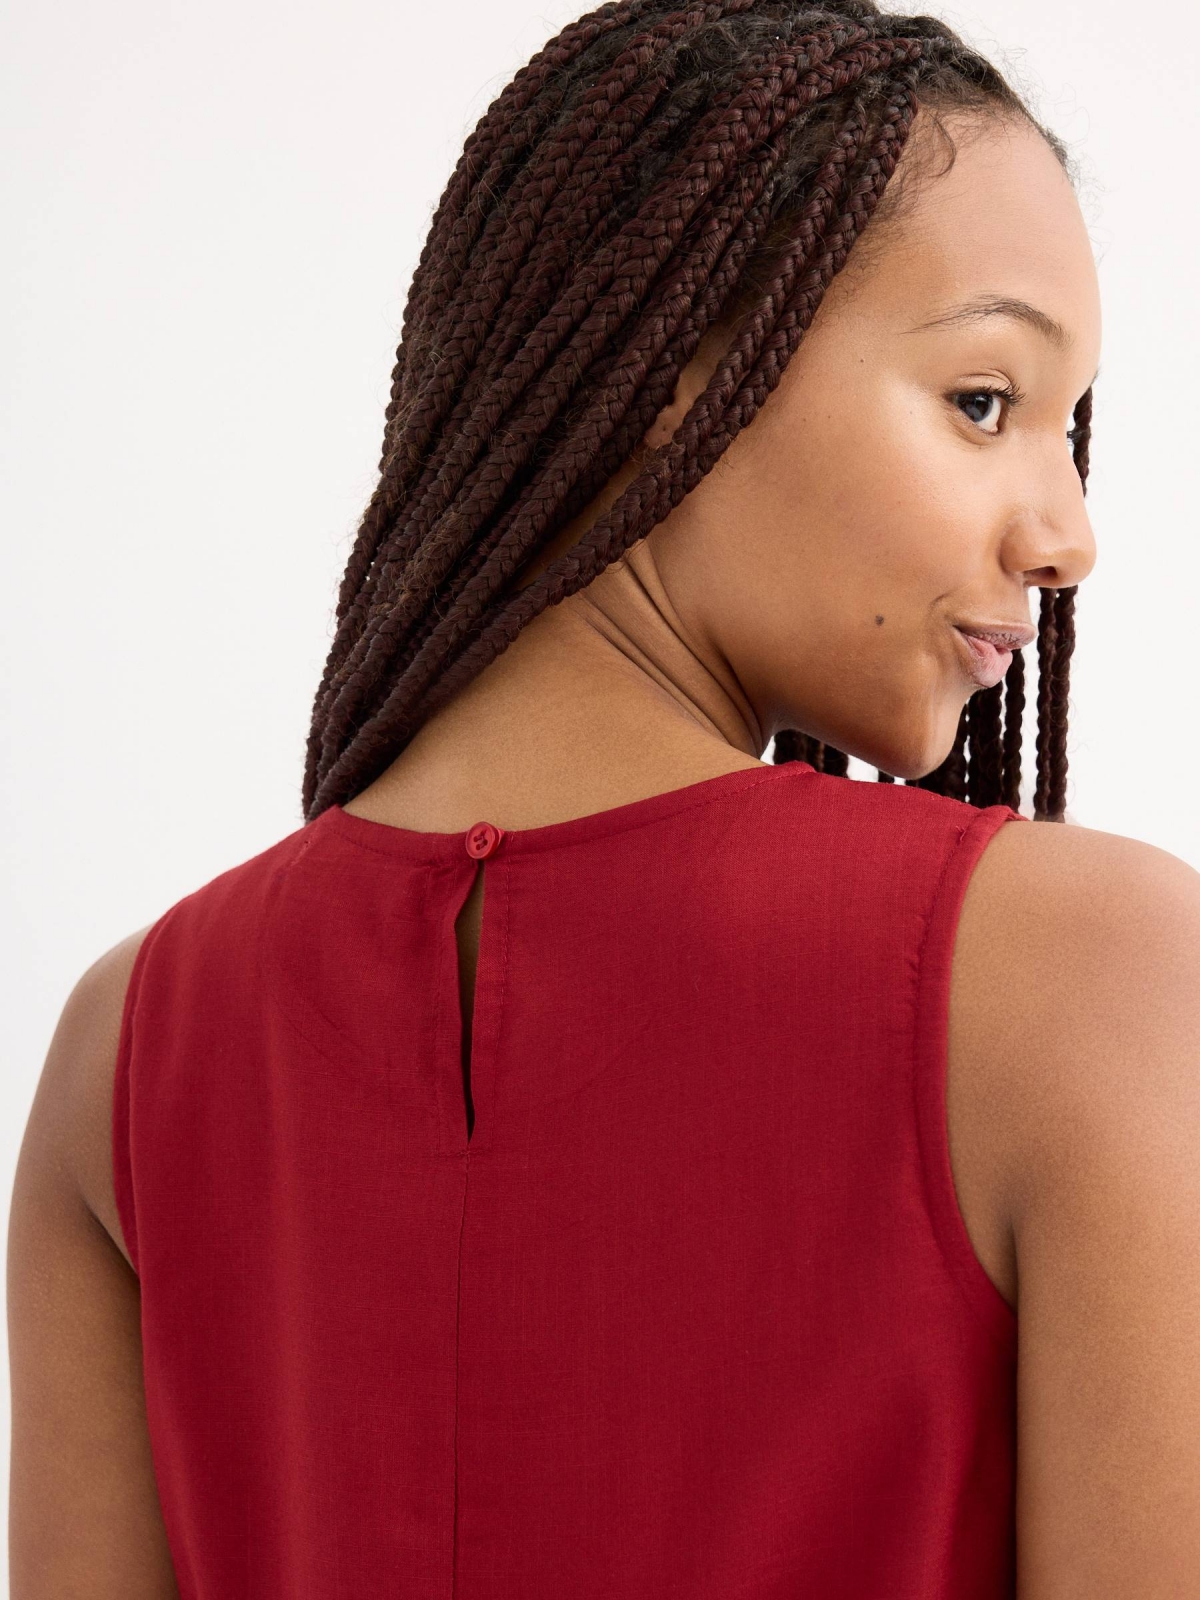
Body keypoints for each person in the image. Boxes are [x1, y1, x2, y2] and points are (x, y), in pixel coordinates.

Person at [10, 2, 1200, 1595]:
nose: (1067, 536)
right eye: (985, 404)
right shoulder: (1088, 974)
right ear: (680, 362)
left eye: (1071, 436)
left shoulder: (126, 1054)